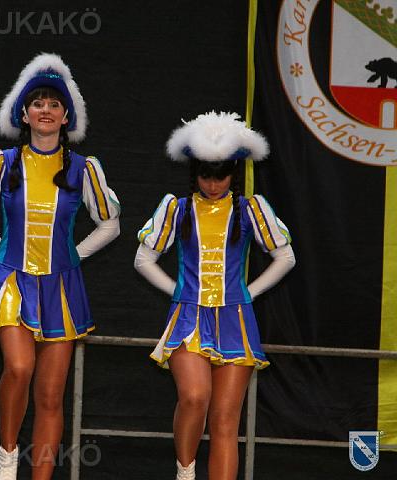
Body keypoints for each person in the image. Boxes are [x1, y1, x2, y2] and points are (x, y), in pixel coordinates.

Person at [0, 53, 120, 480]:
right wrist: (2, 251)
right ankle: (7, 455)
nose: (45, 110)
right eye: (37, 104)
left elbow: (110, 224)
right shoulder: (2, 162)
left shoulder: (84, 168)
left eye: (53, 104)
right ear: (24, 114)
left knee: (50, 395)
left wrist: (74, 256)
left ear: (66, 116)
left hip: (61, 288)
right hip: (12, 281)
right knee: (19, 368)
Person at [134, 111, 296, 480]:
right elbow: (143, 259)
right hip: (188, 319)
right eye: (205, 174)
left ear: (233, 173)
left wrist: (246, 293)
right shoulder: (176, 208)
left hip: (236, 321)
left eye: (220, 175)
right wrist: (178, 292)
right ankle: (186, 472)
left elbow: (285, 257)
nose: (212, 183)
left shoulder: (251, 209)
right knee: (194, 397)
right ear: (195, 172)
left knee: (225, 421)